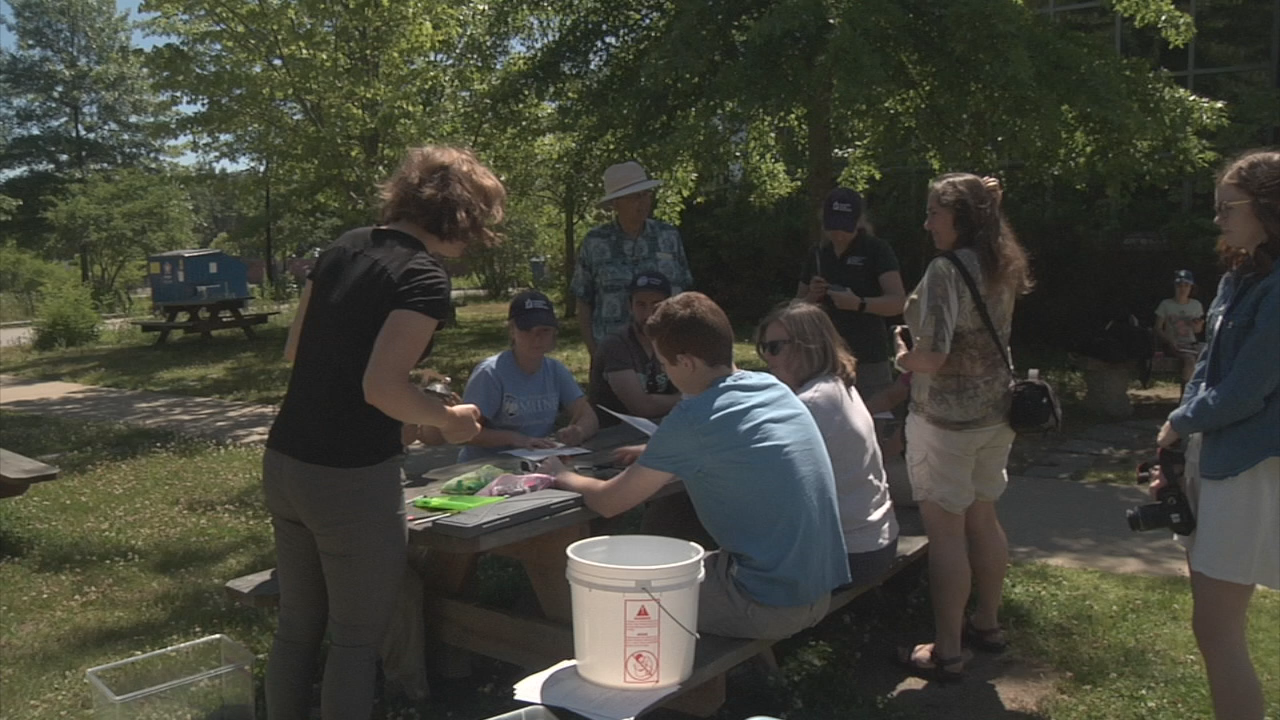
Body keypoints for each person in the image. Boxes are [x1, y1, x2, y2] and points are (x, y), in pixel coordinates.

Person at [263, 146, 500, 720]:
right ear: (461, 215)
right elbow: (380, 389)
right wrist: (448, 418)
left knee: (297, 629)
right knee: (354, 640)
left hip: (286, 461)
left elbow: (301, 350)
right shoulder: (422, 276)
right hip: (349, 477)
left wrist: (403, 383)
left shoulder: (344, 246)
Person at [541, 292, 850, 639]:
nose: (663, 372)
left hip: (764, 604)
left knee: (609, 592)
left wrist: (562, 475)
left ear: (686, 363)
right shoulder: (772, 387)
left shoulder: (694, 417)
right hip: (816, 590)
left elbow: (609, 502)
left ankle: (579, 664)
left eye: (664, 364)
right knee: (669, 548)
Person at [1152, 149, 1279, 720]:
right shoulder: (1239, 274)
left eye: (1229, 206)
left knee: (1218, 628)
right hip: (1215, 456)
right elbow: (1206, 367)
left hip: (1248, 468)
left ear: (1269, 208)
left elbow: (1249, 388)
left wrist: (1179, 422)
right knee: (1212, 625)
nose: (1219, 217)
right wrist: (1178, 437)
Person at [892, 173, 1032, 682]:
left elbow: (933, 356)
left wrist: (905, 355)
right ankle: (988, 624)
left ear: (959, 218)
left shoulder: (946, 270)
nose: (927, 222)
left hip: (945, 421)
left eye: (934, 212)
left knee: (946, 534)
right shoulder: (1000, 262)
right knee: (984, 517)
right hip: (997, 414)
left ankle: (947, 649)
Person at [755, 300, 899, 586]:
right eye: (763, 347)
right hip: (874, 542)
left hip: (848, 556)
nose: (766, 359)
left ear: (807, 346)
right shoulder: (837, 385)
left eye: (774, 347)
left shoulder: (811, 403)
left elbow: (759, 473)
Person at [456, 290, 599, 462]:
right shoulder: (491, 373)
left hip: (536, 461)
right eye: (527, 329)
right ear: (512, 330)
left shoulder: (555, 370)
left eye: (544, 330)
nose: (536, 338)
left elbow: (588, 416)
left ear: (554, 333)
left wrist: (579, 432)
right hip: (485, 467)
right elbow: (465, 432)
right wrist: (514, 439)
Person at [571, 161, 693, 355]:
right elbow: (583, 298)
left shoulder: (668, 237)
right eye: (635, 197)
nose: (643, 202)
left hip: (665, 349)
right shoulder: (595, 242)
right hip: (614, 351)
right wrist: (594, 351)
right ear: (615, 203)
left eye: (646, 194)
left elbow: (685, 293)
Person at [797, 187, 907, 400]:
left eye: (845, 228)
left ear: (858, 222)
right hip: (823, 355)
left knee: (874, 416)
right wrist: (811, 296)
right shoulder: (818, 254)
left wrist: (859, 303)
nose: (838, 234)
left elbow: (898, 302)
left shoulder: (876, 250)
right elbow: (795, 306)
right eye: (833, 227)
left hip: (868, 356)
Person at [588, 270, 680, 426]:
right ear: (630, 306)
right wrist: (685, 399)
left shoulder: (675, 343)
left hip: (661, 430)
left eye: (656, 305)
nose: (648, 315)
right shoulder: (615, 345)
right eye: (640, 305)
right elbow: (642, 407)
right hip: (612, 436)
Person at [1154, 269, 1206, 384]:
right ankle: (1187, 393)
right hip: (1173, 344)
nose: (1182, 289)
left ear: (1191, 287)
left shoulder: (1196, 305)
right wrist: (1169, 340)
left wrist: (1197, 325)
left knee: (1207, 355)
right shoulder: (1166, 304)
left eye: (1186, 285)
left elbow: (1198, 331)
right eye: (1179, 285)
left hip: (1191, 344)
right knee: (1189, 359)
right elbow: (1157, 328)